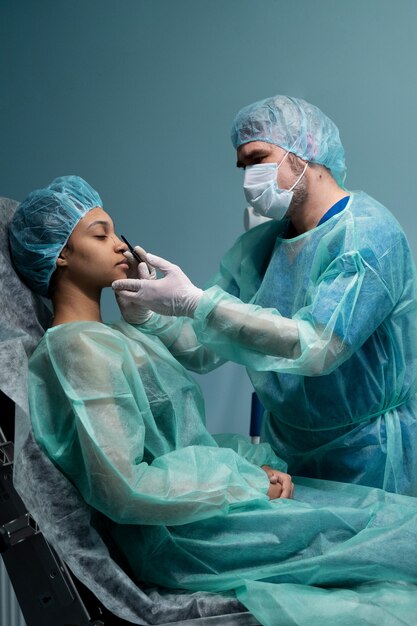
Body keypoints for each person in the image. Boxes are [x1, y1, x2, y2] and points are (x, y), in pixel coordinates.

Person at [8, 175, 417, 625]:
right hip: (184, 538)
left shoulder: (117, 336)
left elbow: (185, 434)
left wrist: (257, 462)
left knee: (391, 528)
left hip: (207, 512)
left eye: (116, 233)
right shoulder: (77, 349)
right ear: (60, 254)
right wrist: (246, 482)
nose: (121, 246)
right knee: (393, 542)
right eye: (100, 234)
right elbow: (125, 488)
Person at [112, 95, 417, 496]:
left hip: (368, 457)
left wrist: (197, 302)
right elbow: (206, 347)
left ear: (305, 147)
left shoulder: (367, 237)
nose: (248, 179)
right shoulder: (259, 250)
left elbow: (319, 345)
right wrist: (149, 315)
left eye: (258, 159)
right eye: (243, 166)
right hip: (288, 458)